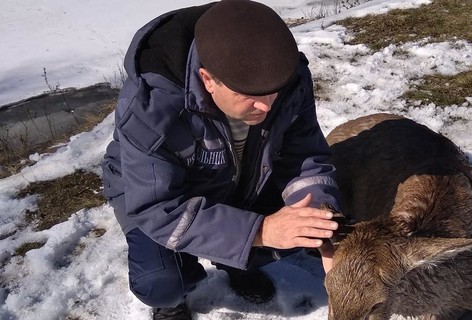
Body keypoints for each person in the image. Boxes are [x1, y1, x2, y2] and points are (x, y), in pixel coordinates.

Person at [101, 0, 342, 319]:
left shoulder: (285, 74)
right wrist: (261, 231)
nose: (267, 106)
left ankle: (237, 261)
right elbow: (158, 208)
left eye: (273, 92)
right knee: (161, 281)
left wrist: (320, 217)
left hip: (242, 176)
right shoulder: (151, 107)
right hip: (153, 193)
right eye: (249, 96)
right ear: (208, 79)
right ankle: (172, 302)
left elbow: (304, 153)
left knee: (297, 228)